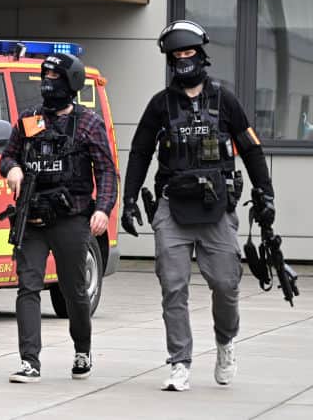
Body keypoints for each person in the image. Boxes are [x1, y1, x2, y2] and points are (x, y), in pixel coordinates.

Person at [120, 20, 275, 392]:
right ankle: (180, 362)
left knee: (226, 284)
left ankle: (225, 341)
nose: (183, 60)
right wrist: (128, 199)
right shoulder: (160, 105)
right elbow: (140, 152)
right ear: (171, 61)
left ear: (202, 57)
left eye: (189, 53)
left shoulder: (225, 100)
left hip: (216, 208)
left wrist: (265, 194)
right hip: (172, 207)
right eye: (177, 56)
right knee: (173, 286)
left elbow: (251, 149)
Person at [0, 53, 117, 383]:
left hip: (72, 218)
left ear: (70, 84)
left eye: (55, 79)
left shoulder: (89, 123)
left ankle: (82, 348)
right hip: (33, 217)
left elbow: (107, 170)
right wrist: (13, 168)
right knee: (28, 286)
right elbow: (7, 156)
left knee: (74, 290)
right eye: (45, 78)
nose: (48, 85)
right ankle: (29, 361)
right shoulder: (28, 119)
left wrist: (102, 210)